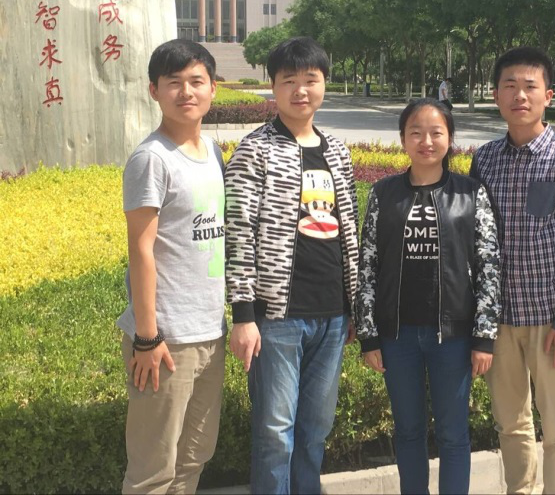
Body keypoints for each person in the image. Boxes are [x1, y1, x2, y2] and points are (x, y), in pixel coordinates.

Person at [224, 36, 359, 494]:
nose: (300, 90)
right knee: (274, 432)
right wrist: (243, 315)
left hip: (332, 315)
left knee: (316, 427)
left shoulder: (337, 150)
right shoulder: (255, 150)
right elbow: (238, 232)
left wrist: (354, 306)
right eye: (289, 81)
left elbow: (348, 229)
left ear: (324, 83)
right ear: (273, 87)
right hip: (277, 317)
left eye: (310, 80)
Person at [355, 98, 501, 494]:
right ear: (403, 138)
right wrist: (369, 334)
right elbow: (368, 264)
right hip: (398, 336)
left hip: (452, 336)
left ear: (450, 138)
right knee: (408, 431)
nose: (426, 141)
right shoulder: (384, 193)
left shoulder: (471, 193)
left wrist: (484, 337)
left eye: (436, 132)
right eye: (416, 132)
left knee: (453, 434)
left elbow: (489, 264)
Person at [470, 46, 555, 494]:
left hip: (549, 321)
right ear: (496, 95)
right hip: (500, 319)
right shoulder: (484, 160)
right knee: (511, 424)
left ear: (548, 96)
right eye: (509, 86)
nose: (519, 95)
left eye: (529, 86)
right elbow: (476, 243)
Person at [117, 40, 226, 494]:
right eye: (174, 82)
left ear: (213, 88)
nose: (186, 92)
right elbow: (141, 250)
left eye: (196, 81)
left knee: (193, 459)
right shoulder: (152, 159)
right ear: (154, 90)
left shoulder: (214, 153)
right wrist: (147, 336)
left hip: (210, 332)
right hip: (165, 340)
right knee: (153, 470)